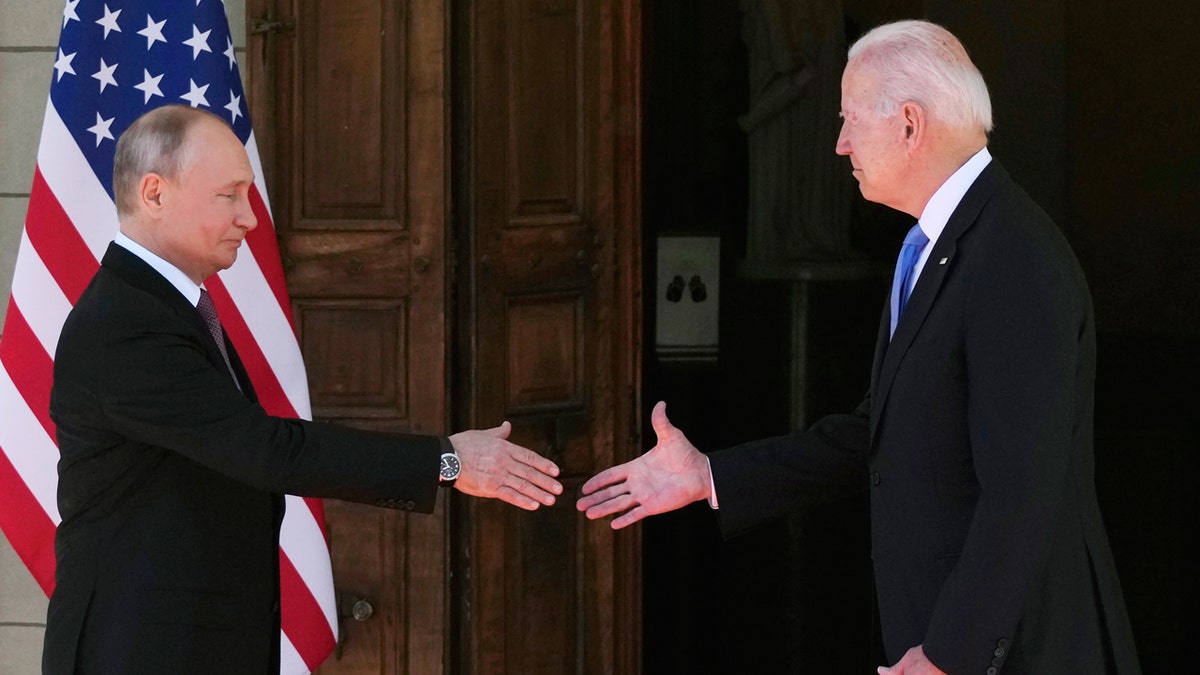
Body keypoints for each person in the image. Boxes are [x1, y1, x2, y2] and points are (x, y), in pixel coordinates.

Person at [579, 20, 1141, 675]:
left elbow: (1020, 492)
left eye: (848, 120)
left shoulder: (1013, 258)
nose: (840, 144)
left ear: (909, 124)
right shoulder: (933, 246)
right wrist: (708, 476)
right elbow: (878, 434)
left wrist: (948, 656)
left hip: (1019, 654)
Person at [44, 104, 563, 674]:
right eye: (228, 195)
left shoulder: (167, 307)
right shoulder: (125, 324)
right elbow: (264, 450)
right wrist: (446, 460)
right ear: (154, 193)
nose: (250, 218)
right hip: (137, 650)